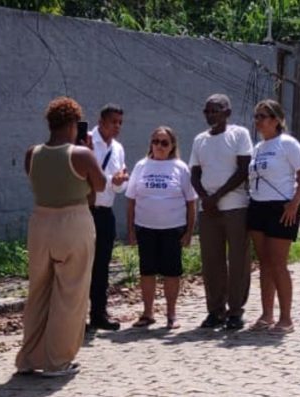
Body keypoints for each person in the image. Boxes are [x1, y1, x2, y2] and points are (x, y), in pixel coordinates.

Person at [15, 97, 106, 377]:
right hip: (73, 222)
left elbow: (34, 178)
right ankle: (58, 361)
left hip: (41, 222)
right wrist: (89, 152)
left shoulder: (33, 153)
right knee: (71, 292)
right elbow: (100, 185)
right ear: (72, 124)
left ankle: (29, 358)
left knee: (39, 291)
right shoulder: (81, 155)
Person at [246, 99, 300, 334]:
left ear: (276, 120)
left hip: (282, 208)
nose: (258, 121)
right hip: (258, 207)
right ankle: (267, 315)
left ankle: (286, 318)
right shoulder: (257, 148)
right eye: (256, 117)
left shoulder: (288, 144)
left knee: (278, 263)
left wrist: (294, 203)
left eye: (262, 116)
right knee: (264, 263)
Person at [189, 94, 253, 330]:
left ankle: (235, 310)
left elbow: (243, 169)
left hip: (235, 206)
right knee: (211, 261)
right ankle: (215, 310)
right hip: (209, 210)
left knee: (238, 260)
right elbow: (194, 173)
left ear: (227, 112)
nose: (210, 115)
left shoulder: (239, 135)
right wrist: (206, 198)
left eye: (215, 110)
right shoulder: (200, 140)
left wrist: (218, 196)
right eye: (207, 111)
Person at [125, 127, 197, 329]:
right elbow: (131, 200)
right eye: (155, 141)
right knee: (147, 271)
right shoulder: (141, 166)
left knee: (171, 273)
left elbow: (191, 202)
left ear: (172, 145)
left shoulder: (180, 168)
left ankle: (171, 314)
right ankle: (147, 313)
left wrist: (189, 232)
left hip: (172, 228)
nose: (159, 146)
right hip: (145, 228)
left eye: (164, 143)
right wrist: (131, 230)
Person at [86, 104, 129, 331]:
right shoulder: (86, 141)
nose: (118, 127)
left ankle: (99, 314)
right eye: (114, 122)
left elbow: (117, 187)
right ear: (101, 121)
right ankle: (77, 317)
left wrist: (120, 182)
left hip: (105, 212)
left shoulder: (118, 148)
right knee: (82, 265)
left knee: (102, 266)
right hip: (85, 211)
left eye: (120, 122)